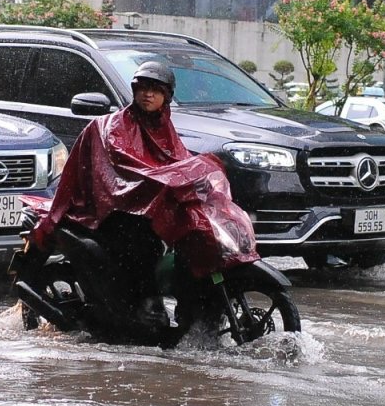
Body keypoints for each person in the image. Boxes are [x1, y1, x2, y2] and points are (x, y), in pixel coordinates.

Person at [29, 59, 258, 326]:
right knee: (143, 241)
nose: (148, 94)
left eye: (156, 90)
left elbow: (176, 161)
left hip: (146, 205)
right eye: (143, 88)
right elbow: (127, 168)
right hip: (108, 209)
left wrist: (200, 179)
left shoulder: (164, 128)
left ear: (167, 97)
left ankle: (193, 304)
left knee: (195, 231)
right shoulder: (113, 127)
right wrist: (160, 180)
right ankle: (146, 302)